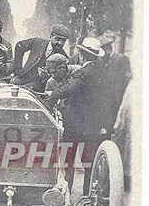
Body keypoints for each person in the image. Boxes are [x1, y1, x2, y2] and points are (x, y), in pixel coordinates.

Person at [46, 37, 116, 195]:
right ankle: (87, 200)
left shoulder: (83, 73)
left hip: (75, 125)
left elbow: (70, 89)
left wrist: (51, 97)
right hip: (96, 126)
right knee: (90, 164)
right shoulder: (105, 72)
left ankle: (65, 196)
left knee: (67, 161)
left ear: (82, 54)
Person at [12, 24, 70, 92]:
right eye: (57, 39)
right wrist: (18, 70)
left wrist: (48, 76)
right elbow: (19, 46)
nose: (60, 43)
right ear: (51, 36)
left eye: (63, 40)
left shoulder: (64, 58)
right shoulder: (37, 42)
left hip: (40, 88)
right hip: (23, 78)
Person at [99, 34, 132, 121]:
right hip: (106, 101)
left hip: (118, 99)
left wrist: (122, 96)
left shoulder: (121, 59)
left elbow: (128, 79)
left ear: (108, 48)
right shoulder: (102, 62)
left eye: (106, 47)